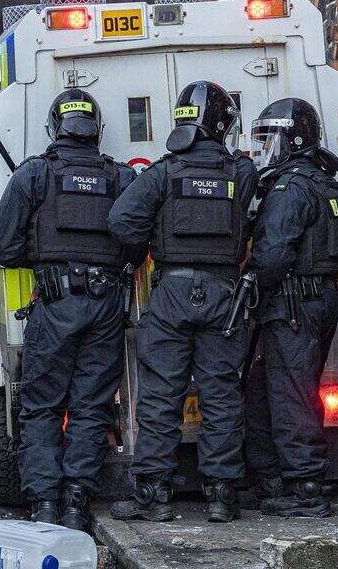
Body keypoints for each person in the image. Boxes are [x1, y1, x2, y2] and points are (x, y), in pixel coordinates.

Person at [0, 89, 138, 532]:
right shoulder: (121, 177)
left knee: (42, 406)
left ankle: (44, 505)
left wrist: (42, 260)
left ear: (56, 128)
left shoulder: (35, 174)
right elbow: (135, 242)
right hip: (106, 306)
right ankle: (75, 503)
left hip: (53, 306)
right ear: (96, 130)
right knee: (92, 407)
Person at [106, 82, 258, 524]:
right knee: (222, 396)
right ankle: (222, 497)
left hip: (171, 294)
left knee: (160, 395)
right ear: (220, 124)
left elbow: (121, 221)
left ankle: (153, 496)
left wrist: (149, 243)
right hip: (224, 295)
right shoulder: (241, 172)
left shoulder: (162, 174)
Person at [242, 98, 338, 518]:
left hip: (292, 305)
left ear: (293, 140)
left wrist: (250, 283)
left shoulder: (290, 188)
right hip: (319, 300)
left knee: (291, 394)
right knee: (268, 389)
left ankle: (306, 487)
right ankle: (274, 478)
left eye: (270, 139)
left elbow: (272, 255)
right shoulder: (326, 184)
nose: (264, 150)